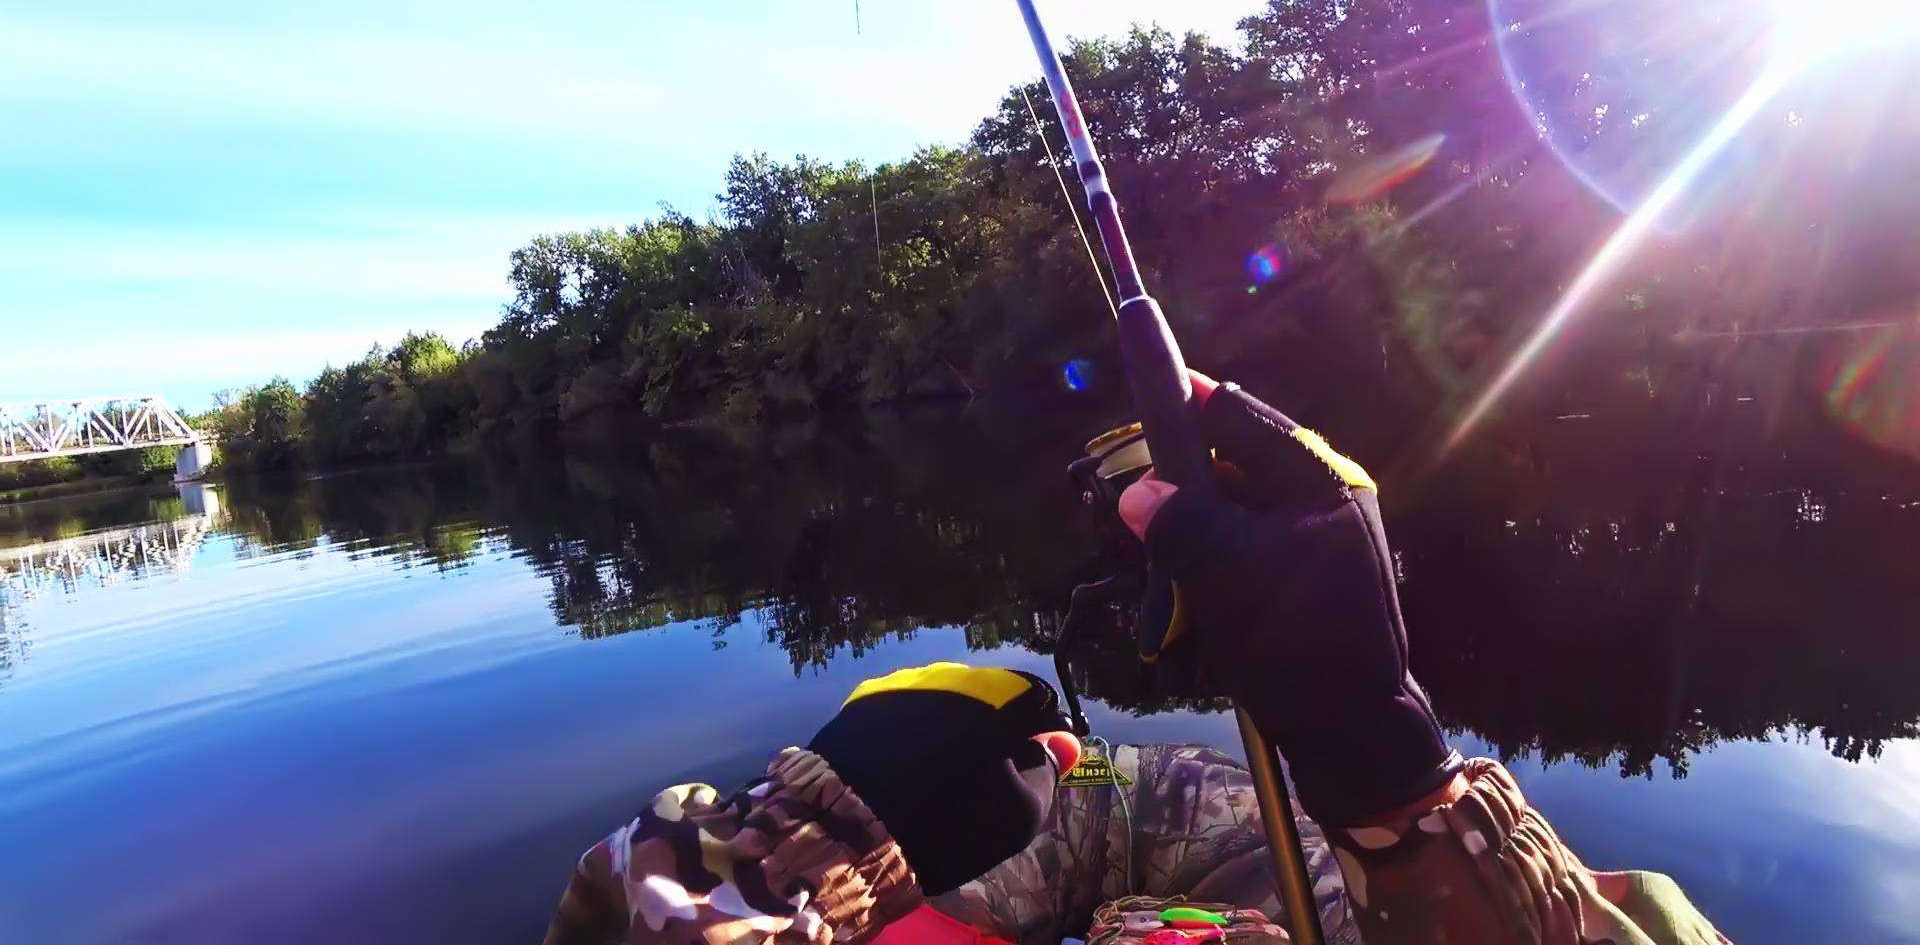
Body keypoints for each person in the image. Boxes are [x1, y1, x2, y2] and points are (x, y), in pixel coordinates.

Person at [545, 376, 1730, 945]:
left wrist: (1385, 766)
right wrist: (1396, 790)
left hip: (1201, 865)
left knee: (994, 760)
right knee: (986, 759)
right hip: (1273, 867)